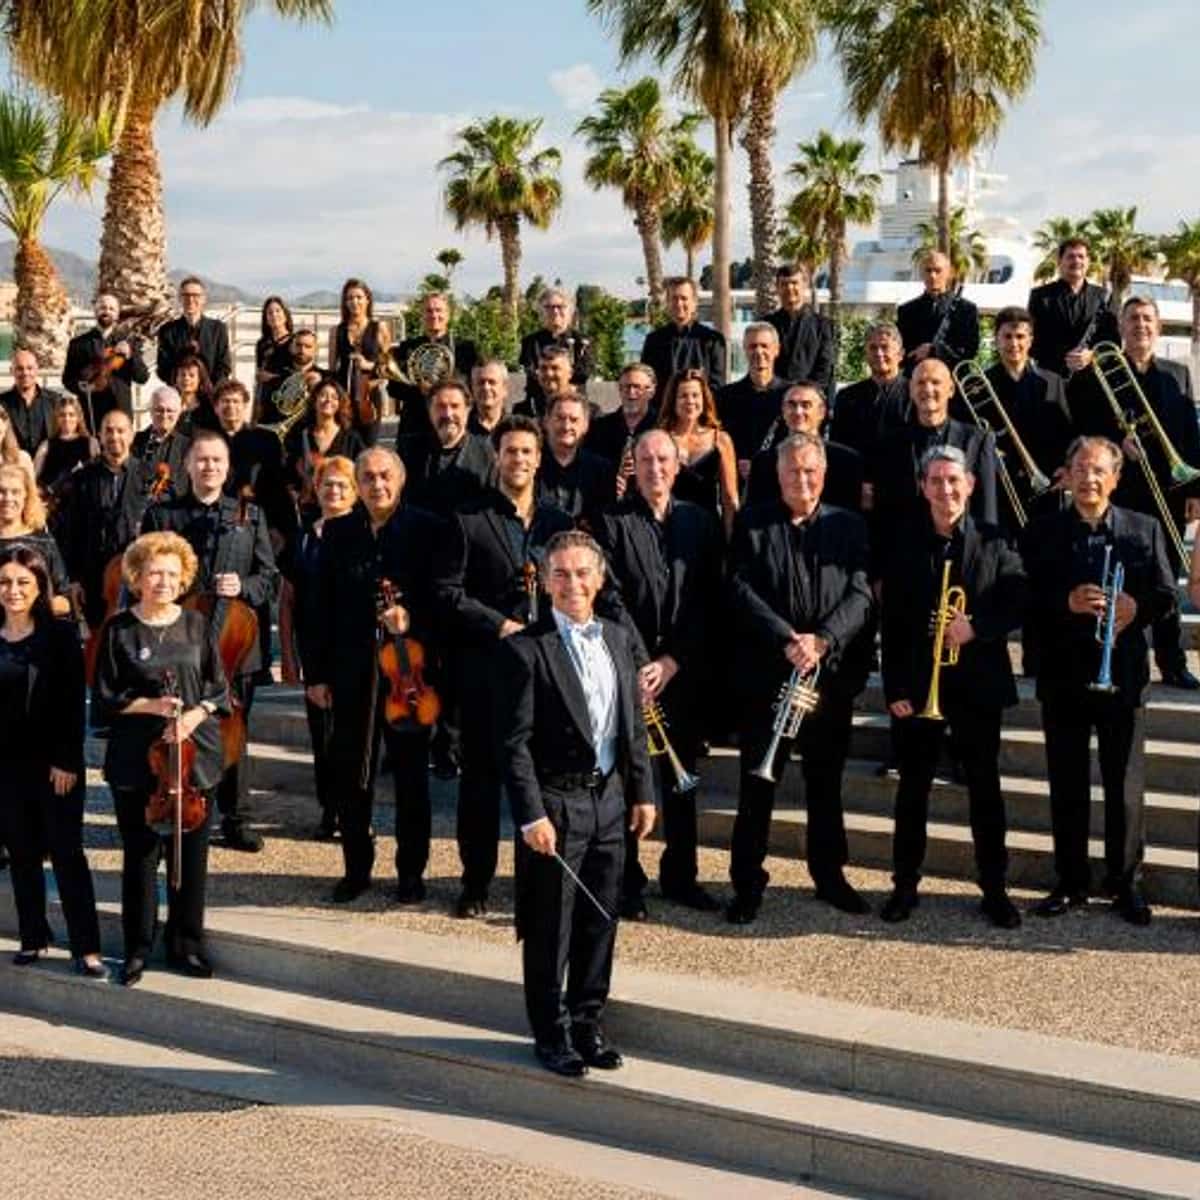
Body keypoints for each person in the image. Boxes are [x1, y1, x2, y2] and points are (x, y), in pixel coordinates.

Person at [495, 529, 656, 1077]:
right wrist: (531, 814)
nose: (572, 584)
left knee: (601, 918)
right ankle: (551, 1032)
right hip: (556, 804)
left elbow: (632, 726)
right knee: (550, 926)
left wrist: (642, 792)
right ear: (544, 580)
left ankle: (588, 1023)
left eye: (582, 573)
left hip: (609, 798)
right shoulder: (523, 649)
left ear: (599, 578)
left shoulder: (617, 638)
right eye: (560, 573)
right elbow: (512, 744)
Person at [1023, 437, 1176, 926]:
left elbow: (1166, 595)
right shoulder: (1042, 531)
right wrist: (1064, 602)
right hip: (1063, 675)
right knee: (1066, 782)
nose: (1089, 479)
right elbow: (1023, 595)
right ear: (1066, 475)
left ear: (1116, 478)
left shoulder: (1144, 528)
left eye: (1098, 471)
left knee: (1124, 786)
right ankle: (1070, 882)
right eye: (1080, 469)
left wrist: (1137, 607)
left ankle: (1125, 883)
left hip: (1123, 676)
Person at [725, 434, 874, 923]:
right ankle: (747, 884)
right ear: (778, 474)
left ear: (824, 475)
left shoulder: (849, 525)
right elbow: (739, 589)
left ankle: (829, 876)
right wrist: (786, 638)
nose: (802, 479)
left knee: (825, 783)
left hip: (826, 679)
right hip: (768, 676)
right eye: (793, 471)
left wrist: (823, 640)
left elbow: (860, 594)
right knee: (756, 785)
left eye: (810, 471)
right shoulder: (753, 523)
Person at [879, 446, 1027, 927]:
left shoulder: (996, 539)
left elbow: (1018, 599)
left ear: (971, 485)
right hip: (918, 688)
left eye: (953, 480)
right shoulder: (903, 543)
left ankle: (995, 888)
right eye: (936, 481)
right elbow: (891, 622)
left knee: (985, 791)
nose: (946, 489)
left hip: (978, 688)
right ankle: (904, 885)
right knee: (912, 792)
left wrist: (976, 627)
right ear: (923, 487)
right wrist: (894, 688)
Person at [435, 416, 574, 917]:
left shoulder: (558, 522)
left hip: (546, 672)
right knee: (480, 782)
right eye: (510, 451)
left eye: (527, 452)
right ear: (497, 457)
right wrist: (499, 625)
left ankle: (534, 883)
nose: (519, 459)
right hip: (487, 671)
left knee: (541, 782)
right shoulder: (467, 518)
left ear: (539, 459)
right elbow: (448, 592)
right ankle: (475, 883)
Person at [593, 429, 724, 918]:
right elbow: (610, 599)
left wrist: (672, 661)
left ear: (677, 465)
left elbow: (708, 597)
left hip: (683, 672)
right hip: (630, 671)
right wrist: (642, 660)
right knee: (631, 777)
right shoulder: (610, 523)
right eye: (645, 460)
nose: (655, 469)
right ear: (633, 467)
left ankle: (682, 876)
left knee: (682, 779)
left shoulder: (701, 521)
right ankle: (627, 880)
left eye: (663, 460)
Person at [92, 531, 228, 985]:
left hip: (193, 758)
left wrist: (193, 716)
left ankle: (187, 944)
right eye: (154, 573)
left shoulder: (197, 625)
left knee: (191, 858)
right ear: (136, 577)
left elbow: (218, 690)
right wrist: (151, 705)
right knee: (141, 856)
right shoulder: (119, 630)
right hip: (137, 759)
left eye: (172, 574)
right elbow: (105, 700)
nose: (163, 581)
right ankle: (137, 947)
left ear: (183, 578)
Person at [306, 447, 440, 902]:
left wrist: (412, 617)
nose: (377, 485)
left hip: (409, 673)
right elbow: (319, 605)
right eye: (367, 478)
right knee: (351, 773)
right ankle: (356, 868)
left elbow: (442, 597)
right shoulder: (338, 531)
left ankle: (411, 872)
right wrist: (317, 674)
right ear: (357, 485)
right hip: (352, 670)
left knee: (411, 777)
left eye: (385, 476)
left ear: (400, 480)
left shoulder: (426, 529)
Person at [142, 431, 279, 853]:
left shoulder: (250, 515)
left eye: (217, 460)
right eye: (201, 460)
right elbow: (141, 576)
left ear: (228, 466)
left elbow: (269, 578)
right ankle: (176, 803)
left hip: (234, 645)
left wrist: (244, 587)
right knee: (174, 728)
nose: (209, 467)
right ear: (187, 465)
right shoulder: (163, 515)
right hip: (177, 644)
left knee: (233, 730)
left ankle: (237, 818)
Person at [1072, 296, 1200, 689]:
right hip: (1120, 494)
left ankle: (1172, 662)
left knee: (1166, 581)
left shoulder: (1177, 374)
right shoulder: (1101, 372)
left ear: (1157, 328)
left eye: (1147, 319)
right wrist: (1116, 443)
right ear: (1121, 328)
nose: (1140, 325)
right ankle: (1112, 659)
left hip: (1170, 491)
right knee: (1116, 575)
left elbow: (1191, 435)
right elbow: (1084, 426)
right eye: (1132, 319)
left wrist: (1195, 490)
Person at [0, 546, 103, 975]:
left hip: (54, 764)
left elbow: (73, 704)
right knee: (21, 853)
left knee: (66, 853)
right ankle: (33, 937)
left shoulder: (59, 636)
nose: (13, 590)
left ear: (40, 586)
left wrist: (67, 760)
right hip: (6, 767)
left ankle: (87, 947)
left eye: (23, 582)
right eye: (5, 582)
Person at [283, 455, 357, 841]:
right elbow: (288, 601)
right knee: (322, 737)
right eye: (327, 483)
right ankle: (330, 810)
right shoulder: (303, 537)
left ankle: (354, 810)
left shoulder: (365, 532)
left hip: (356, 652)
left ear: (355, 491)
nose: (334, 491)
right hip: (315, 650)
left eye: (342, 484)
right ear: (316, 488)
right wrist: (291, 658)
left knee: (353, 738)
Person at [871, 358, 998, 571]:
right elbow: (883, 512)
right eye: (920, 383)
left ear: (951, 390)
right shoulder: (890, 443)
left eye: (935, 382)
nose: (928, 389)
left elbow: (987, 508)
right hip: (906, 561)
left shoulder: (977, 439)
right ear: (911, 391)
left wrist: (984, 564)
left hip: (963, 557)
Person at [980, 306, 1073, 534]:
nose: (1014, 343)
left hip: (1047, 484)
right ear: (996, 339)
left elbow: (1068, 431)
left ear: (1030, 340)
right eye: (1007, 336)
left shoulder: (1053, 382)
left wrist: (1067, 467)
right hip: (998, 485)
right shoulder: (981, 385)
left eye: (1020, 336)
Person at [63, 410, 152, 633]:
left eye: (121, 430)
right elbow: (72, 530)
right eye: (109, 431)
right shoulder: (83, 477)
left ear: (131, 435)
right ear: (100, 436)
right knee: (99, 637)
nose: (114, 436)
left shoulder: (148, 475)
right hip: (94, 578)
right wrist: (74, 578)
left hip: (138, 574)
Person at [746, 383, 863, 512]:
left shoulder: (846, 461)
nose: (798, 412)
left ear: (821, 412)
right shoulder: (763, 461)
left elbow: (851, 515)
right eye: (791, 405)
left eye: (806, 405)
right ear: (783, 411)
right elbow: (753, 512)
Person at [397, 378, 496, 517]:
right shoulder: (409, 450)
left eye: (455, 406)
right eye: (440, 406)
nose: (448, 414)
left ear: (468, 409)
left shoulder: (488, 454)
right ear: (429, 410)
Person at [658, 369, 738, 539]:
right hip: (670, 529)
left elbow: (729, 498)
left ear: (704, 399)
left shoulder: (721, 440)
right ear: (673, 400)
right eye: (683, 396)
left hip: (709, 531)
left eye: (695, 395)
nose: (690, 401)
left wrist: (732, 540)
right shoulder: (660, 439)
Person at [1027, 237, 1118, 379]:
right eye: (1070, 256)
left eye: (1081, 256)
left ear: (1088, 261)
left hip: (1092, 378)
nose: (1076, 261)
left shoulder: (1104, 296)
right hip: (1051, 378)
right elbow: (1031, 341)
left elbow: (1113, 341)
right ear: (1060, 261)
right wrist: (1064, 356)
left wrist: (1092, 355)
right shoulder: (1040, 296)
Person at [391, 291, 478, 436]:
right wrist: (418, 388)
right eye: (429, 311)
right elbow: (393, 389)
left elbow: (472, 386)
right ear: (422, 315)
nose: (434, 315)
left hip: (452, 422)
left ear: (448, 315)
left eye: (439, 310)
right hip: (416, 425)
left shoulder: (465, 348)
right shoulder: (408, 348)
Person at [714, 323, 790, 486]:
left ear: (776, 350)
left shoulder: (791, 396)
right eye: (752, 346)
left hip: (781, 484)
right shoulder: (724, 396)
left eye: (764, 346)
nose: (758, 352)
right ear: (744, 350)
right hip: (737, 483)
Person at [284, 377, 365, 522]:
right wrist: (294, 492)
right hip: (309, 508)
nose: (328, 400)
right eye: (323, 395)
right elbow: (287, 468)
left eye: (334, 397)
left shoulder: (351, 437)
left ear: (340, 403)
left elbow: (361, 471)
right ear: (314, 400)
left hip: (342, 508)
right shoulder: (299, 434)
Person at [830, 320, 909, 468]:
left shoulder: (915, 395)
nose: (879, 353)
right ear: (866, 354)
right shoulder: (847, 397)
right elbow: (838, 447)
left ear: (900, 354)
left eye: (885, 347)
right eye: (873, 348)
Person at [62, 293, 149, 424]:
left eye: (111, 309)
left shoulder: (129, 342)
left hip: (121, 413)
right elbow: (68, 379)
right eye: (102, 307)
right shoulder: (78, 343)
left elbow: (142, 377)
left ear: (117, 314)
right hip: (91, 413)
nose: (107, 311)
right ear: (95, 311)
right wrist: (82, 387)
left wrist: (130, 355)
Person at [640, 277, 727, 402]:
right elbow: (646, 382)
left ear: (694, 302)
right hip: (663, 412)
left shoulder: (712, 340)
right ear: (667, 303)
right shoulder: (654, 340)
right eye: (674, 298)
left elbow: (717, 386)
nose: (679, 303)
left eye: (684, 298)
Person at [328, 277, 392, 447]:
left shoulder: (380, 328)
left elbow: (389, 368)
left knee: (367, 447)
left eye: (359, 297)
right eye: (349, 298)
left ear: (367, 300)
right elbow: (332, 368)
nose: (354, 302)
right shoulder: (336, 331)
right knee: (344, 448)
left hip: (369, 400)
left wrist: (368, 365)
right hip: (343, 398)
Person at [0, 464, 72, 612]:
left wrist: (31, 609)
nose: (8, 498)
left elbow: (64, 599)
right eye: (1, 491)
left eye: (15, 492)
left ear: (26, 496)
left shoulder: (43, 542)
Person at [536, 391, 614, 526]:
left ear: (585, 426)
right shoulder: (529, 465)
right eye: (560, 418)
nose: (566, 426)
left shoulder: (602, 470)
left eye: (574, 420)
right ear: (546, 422)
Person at [896, 251, 979, 374]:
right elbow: (900, 353)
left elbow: (969, 351)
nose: (933, 276)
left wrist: (934, 350)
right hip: (918, 380)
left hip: (953, 380)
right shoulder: (906, 311)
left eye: (938, 270)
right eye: (928, 270)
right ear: (921, 273)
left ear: (949, 273)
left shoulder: (966, 309)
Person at [586, 363, 658, 500]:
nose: (631, 393)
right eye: (626, 387)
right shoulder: (599, 428)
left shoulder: (662, 428)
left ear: (651, 391)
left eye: (637, 387)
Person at [765, 263, 837, 397]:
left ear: (804, 285)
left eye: (794, 283)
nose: (789, 288)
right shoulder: (767, 325)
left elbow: (825, 370)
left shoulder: (823, 326)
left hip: (810, 400)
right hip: (773, 399)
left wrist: (800, 394)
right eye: (784, 284)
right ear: (777, 288)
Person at [518, 287, 593, 413]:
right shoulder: (530, 342)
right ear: (540, 312)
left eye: (560, 306)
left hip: (574, 406)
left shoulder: (583, 342)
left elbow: (583, 373)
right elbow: (530, 371)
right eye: (549, 307)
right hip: (537, 406)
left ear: (570, 311)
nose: (555, 311)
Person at [156, 277, 233, 387]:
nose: (190, 300)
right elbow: (163, 369)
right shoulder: (167, 330)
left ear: (203, 299)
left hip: (210, 392)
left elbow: (224, 366)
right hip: (179, 391)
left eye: (195, 295)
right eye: (186, 295)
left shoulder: (218, 329)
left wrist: (209, 388)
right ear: (180, 299)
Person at [33, 395, 98, 498]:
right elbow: (33, 476)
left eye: (71, 415)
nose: (67, 419)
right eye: (62, 415)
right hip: (53, 501)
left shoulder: (91, 443)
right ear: (56, 418)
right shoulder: (46, 445)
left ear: (78, 417)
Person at [130, 385, 191, 492]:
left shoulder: (188, 446)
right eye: (159, 410)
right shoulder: (135, 440)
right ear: (150, 411)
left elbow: (183, 486)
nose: (164, 415)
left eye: (170, 410)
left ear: (179, 412)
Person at [1, 348, 60, 456]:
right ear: (11, 371)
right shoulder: (2, 403)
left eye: (30, 368)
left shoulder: (55, 400)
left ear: (37, 369)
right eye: (20, 368)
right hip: (14, 463)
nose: (25, 373)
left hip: (49, 462)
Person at [254, 295, 295, 421]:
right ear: (265, 318)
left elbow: (300, 375)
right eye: (269, 312)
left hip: (288, 401)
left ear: (285, 315)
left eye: (278, 311)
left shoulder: (295, 341)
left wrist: (273, 378)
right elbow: (260, 376)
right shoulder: (262, 343)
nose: (274, 315)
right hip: (266, 400)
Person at [514, 345, 577, 420]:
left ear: (570, 373)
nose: (549, 374)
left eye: (555, 368)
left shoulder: (583, 410)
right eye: (543, 368)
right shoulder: (523, 411)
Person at [173, 354, 216, 435]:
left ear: (200, 379)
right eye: (182, 375)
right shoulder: (169, 406)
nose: (186, 378)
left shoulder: (209, 407)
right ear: (176, 378)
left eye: (191, 375)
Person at [469, 358, 510, 436]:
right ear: (472, 388)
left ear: (505, 388)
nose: (486, 387)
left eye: (492, 382)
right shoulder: (461, 429)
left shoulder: (515, 429)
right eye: (480, 382)